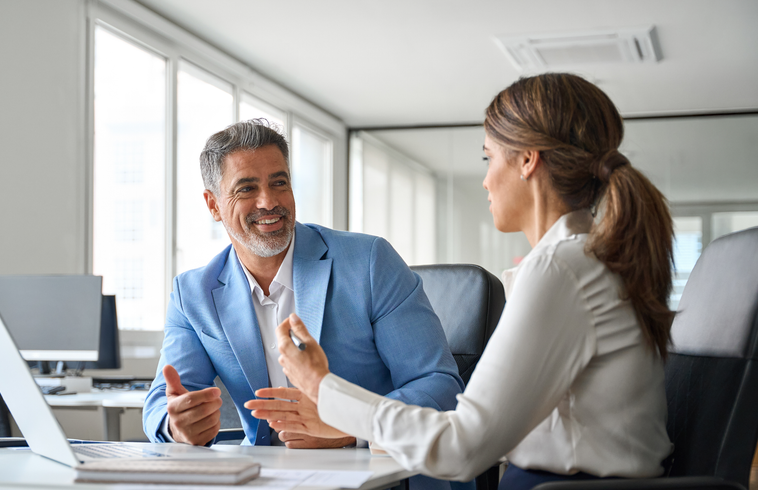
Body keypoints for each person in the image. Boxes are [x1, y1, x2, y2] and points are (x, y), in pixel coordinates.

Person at [254, 74, 675, 490]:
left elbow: (463, 447)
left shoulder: (562, 269)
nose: (486, 180)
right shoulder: (586, 261)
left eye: (488, 158)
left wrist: (323, 389)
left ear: (528, 160)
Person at [141, 119, 464, 489]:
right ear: (213, 205)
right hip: (269, 479)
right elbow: (160, 403)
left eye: (279, 182)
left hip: (382, 475)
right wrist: (176, 424)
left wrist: (347, 427)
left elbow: (439, 384)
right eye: (247, 188)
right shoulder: (193, 293)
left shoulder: (369, 262)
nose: (269, 201)